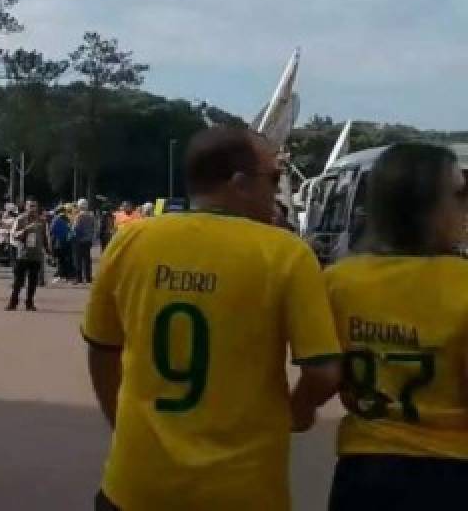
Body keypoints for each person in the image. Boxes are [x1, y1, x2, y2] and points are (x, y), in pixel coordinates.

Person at [83, 126, 342, 510]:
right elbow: (323, 373)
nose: (277, 190)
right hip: (242, 490)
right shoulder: (286, 254)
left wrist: (120, 421)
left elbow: (102, 351)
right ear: (239, 183)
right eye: (273, 178)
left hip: (137, 484)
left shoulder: (132, 241)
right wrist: (299, 411)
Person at [325, 143, 468, 509]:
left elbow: (323, 372)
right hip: (449, 474)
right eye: (459, 193)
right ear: (428, 207)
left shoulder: (338, 281)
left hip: (363, 471)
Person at [7, 200, 50, 311]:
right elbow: (14, 235)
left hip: (36, 255)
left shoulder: (42, 221)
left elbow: (44, 237)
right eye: (30, 206)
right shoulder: (20, 219)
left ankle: (29, 303)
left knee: (33, 282)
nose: (32, 208)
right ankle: (13, 303)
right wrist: (26, 229)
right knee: (18, 281)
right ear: (26, 207)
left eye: (34, 206)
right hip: (23, 255)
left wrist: (48, 251)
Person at [72, 198, 97, 285]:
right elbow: (94, 227)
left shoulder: (78, 216)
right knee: (87, 259)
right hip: (88, 240)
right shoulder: (91, 215)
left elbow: (75, 228)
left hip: (79, 240)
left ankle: (79, 278)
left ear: (79, 206)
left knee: (78, 259)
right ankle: (88, 277)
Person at [50, 206, 74, 283]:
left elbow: (52, 230)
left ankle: (60, 274)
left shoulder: (56, 219)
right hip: (67, 241)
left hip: (58, 242)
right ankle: (68, 275)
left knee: (60, 260)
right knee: (67, 259)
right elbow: (71, 230)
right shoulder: (68, 219)